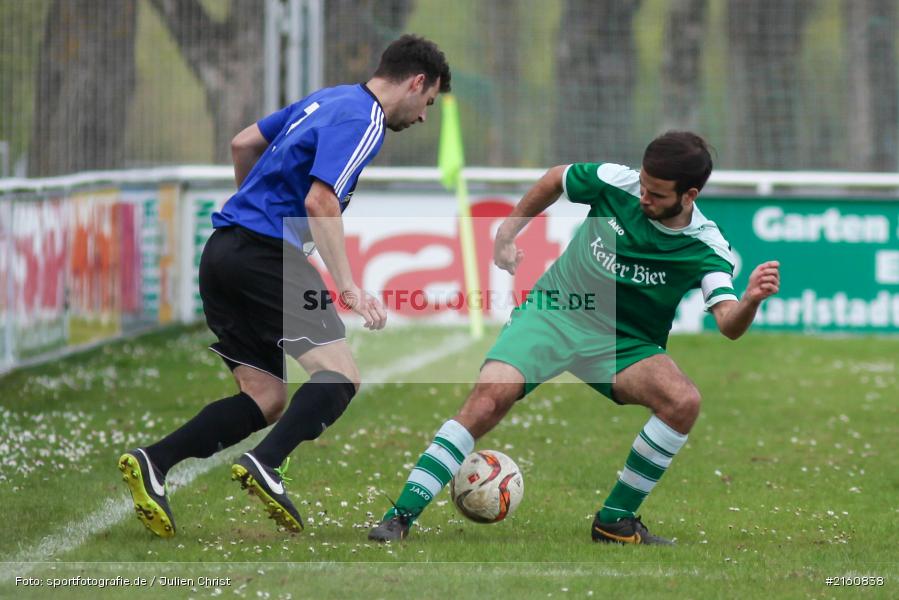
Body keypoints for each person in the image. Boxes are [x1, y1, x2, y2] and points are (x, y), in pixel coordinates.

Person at [368, 131, 781, 545]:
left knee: (683, 401)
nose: (643, 198)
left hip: (623, 342)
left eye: (656, 194)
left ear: (688, 195)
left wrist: (750, 301)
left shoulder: (705, 245)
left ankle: (614, 522)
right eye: (642, 185)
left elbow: (728, 323)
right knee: (490, 395)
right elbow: (554, 179)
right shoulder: (615, 182)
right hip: (557, 311)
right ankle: (400, 515)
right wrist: (507, 233)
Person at [118, 34, 451, 538]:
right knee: (340, 376)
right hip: (265, 256)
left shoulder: (326, 99)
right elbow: (321, 203)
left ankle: (155, 461)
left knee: (265, 397)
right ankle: (267, 464)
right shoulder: (366, 119)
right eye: (428, 102)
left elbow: (243, 141)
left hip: (223, 251)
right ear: (417, 82)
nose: (424, 115)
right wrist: (348, 287)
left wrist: (251, 211)